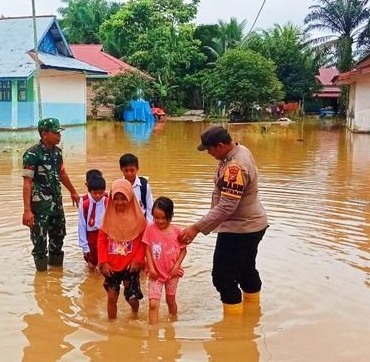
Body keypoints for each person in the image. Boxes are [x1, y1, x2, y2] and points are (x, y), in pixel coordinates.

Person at [179, 125, 268, 315]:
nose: (209, 153)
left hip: (240, 229)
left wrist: (196, 228)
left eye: (209, 149)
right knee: (246, 270)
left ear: (220, 146)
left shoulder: (235, 167)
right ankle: (253, 315)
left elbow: (227, 206)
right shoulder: (240, 150)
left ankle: (233, 328)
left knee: (222, 278)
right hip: (253, 224)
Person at [22, 118, 80, 272]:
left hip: (56, 202)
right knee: (39, 240)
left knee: (59, 235)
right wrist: (27, 210)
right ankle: (41, 280)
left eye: (59, 133)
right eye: (56, 133)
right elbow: (27, 182)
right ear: (44, 134)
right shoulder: (32, 154)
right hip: (40, 205)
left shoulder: (57, 152)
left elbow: (62, 174)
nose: (59, 136)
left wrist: (73, 192)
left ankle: (56, 276)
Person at [98, 178, 147, 320]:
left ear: (130, 198)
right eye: (116, 198)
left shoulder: (139, 220)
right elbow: (101, 240)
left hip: (130, 266)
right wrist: (103, 262)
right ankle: (111, 326)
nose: (120, 202)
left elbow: (143, 242)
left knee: (131, 298)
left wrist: (138, 260)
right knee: (112, 297)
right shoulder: (107, 218)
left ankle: (135, 314)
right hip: (111, 265)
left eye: (123, 198)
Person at [143, 196, 187, 324]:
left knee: (170, 301)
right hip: (155, 273)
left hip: (172, 274)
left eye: (163, 218)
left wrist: (176, 266)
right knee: (153, 304)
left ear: (171, 216)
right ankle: (153, 334)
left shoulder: (177, 231)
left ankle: (173, 325)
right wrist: (151, 268)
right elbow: (147, 249)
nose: (159, 221)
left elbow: (183, 250)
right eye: (156, 217)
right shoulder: (150, 229)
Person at [78, 170, 108, 269]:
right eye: (95, 193)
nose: (98, 196)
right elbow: (81, 224)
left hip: (105, 236)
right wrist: (84, 246)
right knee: (91, 265)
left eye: (101, 193)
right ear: (89, 190)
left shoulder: (107, 201)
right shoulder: (85, 202)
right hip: (91, 238)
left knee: (104, 264)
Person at [119, 153, 154, 222]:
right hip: (124, 221)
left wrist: (148, 224)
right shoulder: (118, 186)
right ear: (121, 170)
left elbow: (150, 206)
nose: (129, 173)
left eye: (132, 170)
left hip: (141, 221)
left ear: (137, 169)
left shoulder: (144, 185)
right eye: (126, 170)